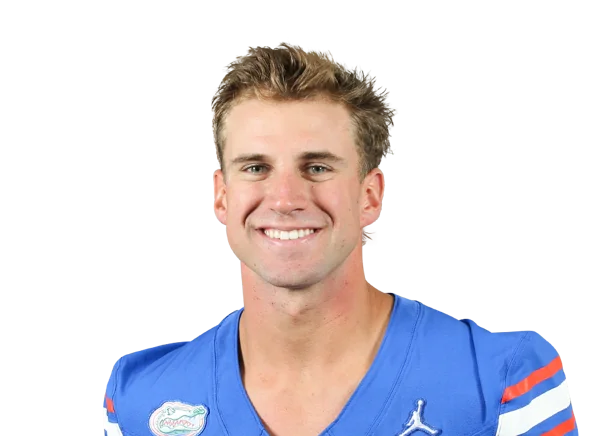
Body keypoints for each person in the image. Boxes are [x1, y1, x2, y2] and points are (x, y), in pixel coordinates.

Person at [102, 41, 577, 436]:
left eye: (317, 167)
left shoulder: (502, 382)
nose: (285, 198)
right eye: (256, 168)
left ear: (370, 195)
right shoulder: (138, 399)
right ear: (221, 196)